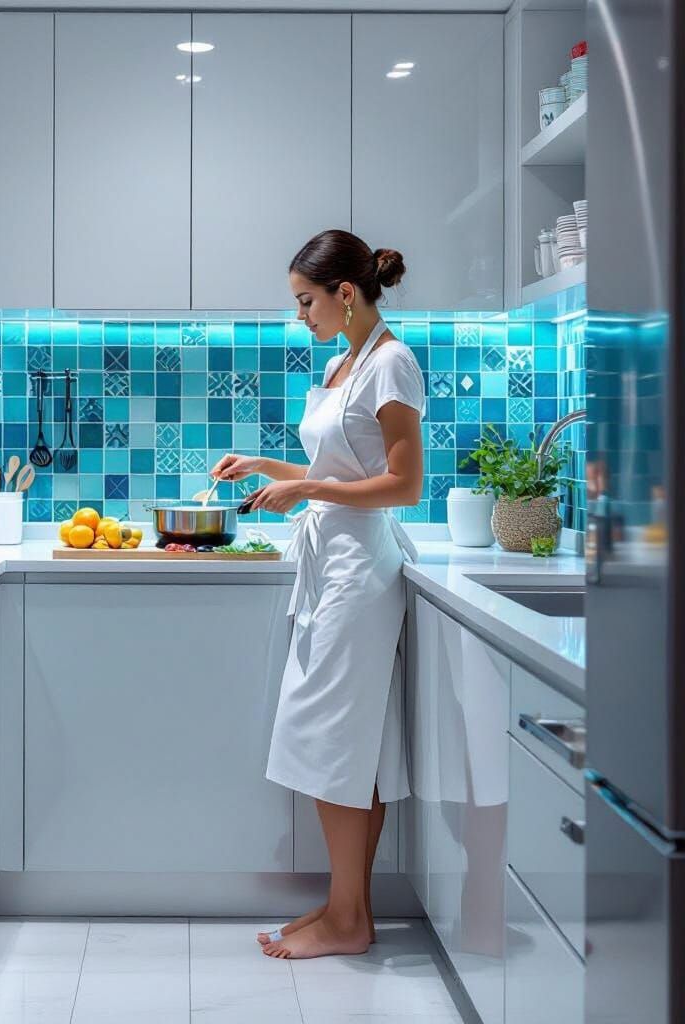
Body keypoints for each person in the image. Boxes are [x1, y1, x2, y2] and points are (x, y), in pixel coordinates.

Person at [211, 229, 425, 959]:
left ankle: (346, 919)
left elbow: (404, 483)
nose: (301, 316)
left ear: (344, 293)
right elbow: (338, 463)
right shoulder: (345, 361)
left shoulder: (392, 364)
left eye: (306, 301)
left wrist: (304, 486)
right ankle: (346, 911)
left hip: (360, 575)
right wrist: (264, 465)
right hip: (330, 564)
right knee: (342, 746)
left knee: (333, 743)